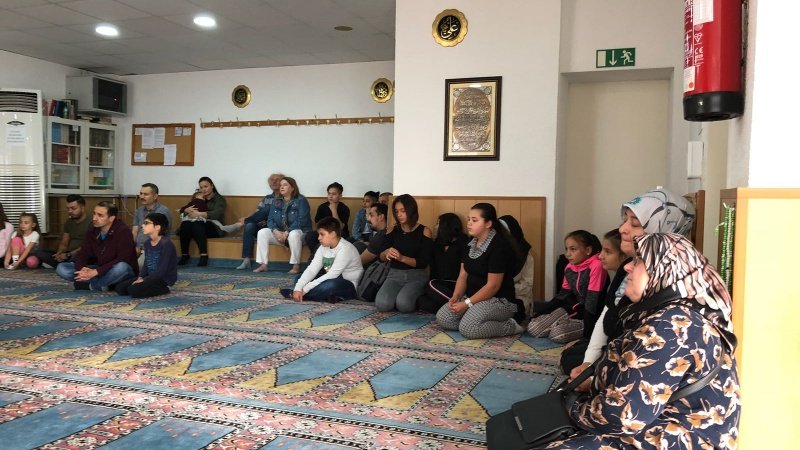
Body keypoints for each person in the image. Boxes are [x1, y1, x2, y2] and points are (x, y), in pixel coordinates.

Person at [544, 233, 739, 450]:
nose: (627, 266)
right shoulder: (672, 313)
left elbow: (625, 416)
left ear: (665, 269)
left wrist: (571, 409)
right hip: (660, 425)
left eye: (638, 261)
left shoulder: (672, 325)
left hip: (677, 438)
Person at [567, 188, 696, 386]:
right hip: (617, 346)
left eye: (635, 223)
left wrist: (595, 381)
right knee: (572, 357)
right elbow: (609, 311)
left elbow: (647, 371)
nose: (622, 229)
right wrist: (589, 362)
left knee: (573, 362)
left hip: (636, 364)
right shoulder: (629, 265)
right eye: (624, 221)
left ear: (663, 229)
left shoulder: (669, 286)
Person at [435, 203, 525, 338]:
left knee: (468, 329)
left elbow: (493, 286)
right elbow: (463, 275)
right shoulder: (469, 243)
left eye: (474, 220)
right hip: (472, 298)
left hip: (498, 301)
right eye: (468, 219)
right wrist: (457, 296)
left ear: (488, 224)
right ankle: (473, 320)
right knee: (443, 318)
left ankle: (511, 325)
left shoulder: (499, 246)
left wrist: (467, 304)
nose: (469, 223)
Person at [559, 229, 630, 374]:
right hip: (609, 336)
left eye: (607, 252)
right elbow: (605, 316)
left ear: (624, 256)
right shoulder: (618, 279)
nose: (600, 256)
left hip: (620, 345)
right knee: (569, 353)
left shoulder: (629, 281)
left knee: (568, 360)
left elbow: (592, 305)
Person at [527, 230, 607, 343]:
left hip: (587, 315)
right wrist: (540, 313)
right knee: (533, 328)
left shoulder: (597, 266)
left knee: (557, 335)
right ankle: (560, 323)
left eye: (573, 249)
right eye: (567, 249)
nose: (568, 254)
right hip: (571, 309)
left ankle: (564, 326)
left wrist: (587, 337)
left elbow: (592, 302)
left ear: (588, 250)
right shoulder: (569, 267)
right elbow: (562, 295)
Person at [56, 202, 138, 290]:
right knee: (62, 268)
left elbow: (122, 259)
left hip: (119, 270)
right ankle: (105, 284)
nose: (94, 218)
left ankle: (92, 286)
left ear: (111, 218)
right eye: (94, 214)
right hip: (100, 269)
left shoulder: (123, 231)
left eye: (100, 215)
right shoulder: (93, 231)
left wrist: (96, 272)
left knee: (121, 267)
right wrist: (82, 270)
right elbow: (83, 253)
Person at [280, 217, 363, 302]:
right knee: (299, 278)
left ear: (333, 234)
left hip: (348, 285)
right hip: (331, 279)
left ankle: (299, 294)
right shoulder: (323, 247)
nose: (319, 238)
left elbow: (332, 275)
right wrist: (298, 287)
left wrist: (305, 289)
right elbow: (312, 269)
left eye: (322, 234)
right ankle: (332, 297)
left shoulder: (345, 249)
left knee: (330, 285)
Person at [375, 194, 433, 312]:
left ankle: (409, 296)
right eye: (396, 211)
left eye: (403, 211)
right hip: (394, 275)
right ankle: (398, 297)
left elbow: (423, 262)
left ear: (411, 210)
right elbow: (380, 257)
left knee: (404, 305)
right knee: (382, 304)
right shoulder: (392, 230)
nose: (399, 215)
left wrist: (402, 258)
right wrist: (386, 253)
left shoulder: (424, 231)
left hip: (416, 276)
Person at [253, 176, 311, 274]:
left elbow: (302, 220)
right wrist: (276, 231)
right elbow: (270, 219)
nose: (282, 187)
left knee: (294, 234)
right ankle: (263, 264)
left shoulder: (301, 200)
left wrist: (287, 232)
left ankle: (296, 265)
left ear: (293, 188)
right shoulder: (276, 201)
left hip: (300, 232)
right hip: (281, 233)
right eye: (280, 185)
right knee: (262, 232)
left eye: (285, 185)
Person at [116, 213, 178, 298]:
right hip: (149, 276)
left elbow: (162, 270)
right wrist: (140, 277)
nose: (142, 225)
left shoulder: (166, 244)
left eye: (146, 223)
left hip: (163, 278)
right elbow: (146, 265)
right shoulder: (147, 243)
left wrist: (144, 280)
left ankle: (164, 289)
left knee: (133, 290)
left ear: (157, 227)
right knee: (120, 288)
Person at [418, 213, 469, 313]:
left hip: (457, 285)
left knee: (430, 285)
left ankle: (460, 305)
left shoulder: (463, 243)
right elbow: (433, 268)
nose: (435, 227)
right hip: (441, 285)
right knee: (422, 301)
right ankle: (455, 306)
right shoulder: (437, 244)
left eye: (438, 223)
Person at [235, 172, 283, 270]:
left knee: (268, 208)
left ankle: (242, 223)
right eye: (272, 180)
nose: (274, 182)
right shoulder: (267, 198)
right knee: (249, 226)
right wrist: (246, 218)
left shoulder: (285, 197)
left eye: (277, 180)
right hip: (263, 225)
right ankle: (247, 259)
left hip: (275, 226)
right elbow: (257, 211)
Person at [177, 176, 227, 267]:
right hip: (196, 226)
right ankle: (185, 254)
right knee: (185, 224)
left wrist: (199, 214)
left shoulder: (219, 199)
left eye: (206, 186)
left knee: (197, 224)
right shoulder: (198, 198)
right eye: (201, 187)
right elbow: (186, 209)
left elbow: (216, 213)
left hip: (214, 227)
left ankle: (204, 255)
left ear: (212, 186)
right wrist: (186, 210)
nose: (203, 189)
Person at [35, 194, 93, 269]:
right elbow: (64, 243)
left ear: (82, 208)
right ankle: (63, 264)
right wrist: (59, 253)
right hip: (68, 254)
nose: (70, 211)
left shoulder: (91, 222)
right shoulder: (68, 223)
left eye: (73, 208)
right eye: (68, 209)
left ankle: (62, 265)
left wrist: (68, 255)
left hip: (82, 253)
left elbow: (89, 246)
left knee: (78, 256)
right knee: (40, 253)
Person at [499, 215, 535, 317]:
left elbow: (527, 285)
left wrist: (503, 288)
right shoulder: (495, 249)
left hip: (518, 296)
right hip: (493, 296)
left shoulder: (525, 254)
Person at [131, 183, 173, 269]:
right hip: (138, 247)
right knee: (120, 262)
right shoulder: (139, 211)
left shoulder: (163, 211)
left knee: (139, 266)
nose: (142, 197)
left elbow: (161, 235)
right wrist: (131, 247)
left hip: (154, 248)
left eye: (145, 194)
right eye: (141, 193)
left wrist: (141, 248)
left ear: (155, 196)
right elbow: (134, 231)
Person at [306, 182, 351, 259]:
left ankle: (325, 258)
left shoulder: (344, 209)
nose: (330, 196)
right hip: (324, 231)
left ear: (340, 196)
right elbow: (317, 224)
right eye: (329, 193)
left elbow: (340, 227)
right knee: (310, 236)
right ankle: (317, 257)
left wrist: (334, 210)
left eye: (334, 194)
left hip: (339, 233)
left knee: (336, 236)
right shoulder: (322, 207)